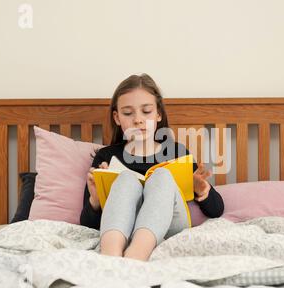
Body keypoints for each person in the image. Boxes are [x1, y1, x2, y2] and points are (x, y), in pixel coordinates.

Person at [80, 73, 224, 261]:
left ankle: (136, 255)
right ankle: (111, 257)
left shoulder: (176, 152)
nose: (138, 120)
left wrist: (202, 190)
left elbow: (217, 210)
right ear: (117, 117)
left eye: (146, 111)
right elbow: (86, 225)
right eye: (128, 113)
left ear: (158, 114)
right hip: (122, 227)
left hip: (168, 228)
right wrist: (96, 200)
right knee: (126, 179)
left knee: (162, 175)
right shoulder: (106, 157)